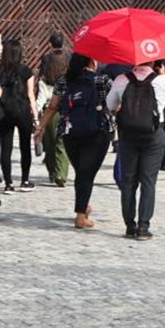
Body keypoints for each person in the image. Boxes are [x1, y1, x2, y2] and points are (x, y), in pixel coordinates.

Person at [105, 58, 165, 240]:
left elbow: (109, 105)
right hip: (154, 135)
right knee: (148, 181)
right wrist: (163, 76)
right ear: (154, 60)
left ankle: (129, 225)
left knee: (128, 181)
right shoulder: (162, 80)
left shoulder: (122, 79)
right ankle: (143, 227)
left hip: (128, 135)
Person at [35, 54, 112, 228]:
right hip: (98, 131)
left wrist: (40, 127)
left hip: (70, 131)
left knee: (82, 172)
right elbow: (115, 104)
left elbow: (53, 106)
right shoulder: (102, 79)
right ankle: (80, 215)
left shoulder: (64, 80)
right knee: (86, 173)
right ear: (92, 61)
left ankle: (83, 207)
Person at [1, 36, 38, 193]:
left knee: (5, 148)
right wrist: (36, 117)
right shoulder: (26, 70)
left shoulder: (1, 70)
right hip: (23, 111)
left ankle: (8, 183)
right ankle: (25, 180)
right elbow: (31, 95)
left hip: (5, 112)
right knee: (25, 147)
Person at [37, 32, 70, 187]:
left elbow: (42, 75)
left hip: (49, 103)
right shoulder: (69, 56)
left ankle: (52, 171)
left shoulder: (46, 58)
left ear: (50, 43)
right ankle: (61, 173)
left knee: (49, 141)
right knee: (62, 141)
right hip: (66, 104)